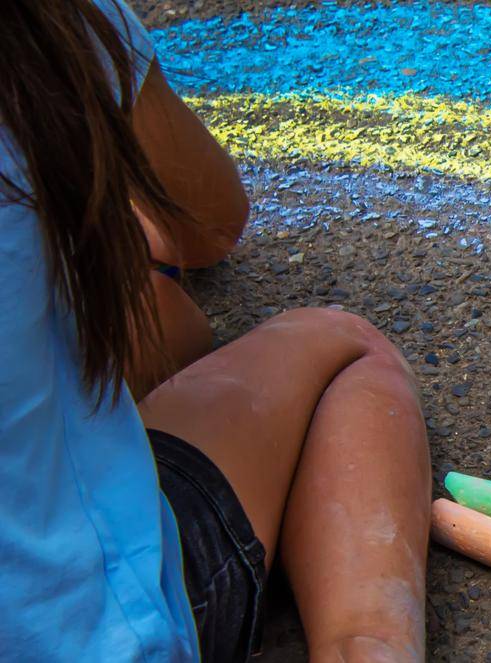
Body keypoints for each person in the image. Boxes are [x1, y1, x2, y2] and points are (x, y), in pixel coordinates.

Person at [0, 1, 432, 660]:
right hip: (96, 636)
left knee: (150, 321)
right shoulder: (44, 29)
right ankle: (369, 645)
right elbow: (208, 219)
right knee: (340, 348)